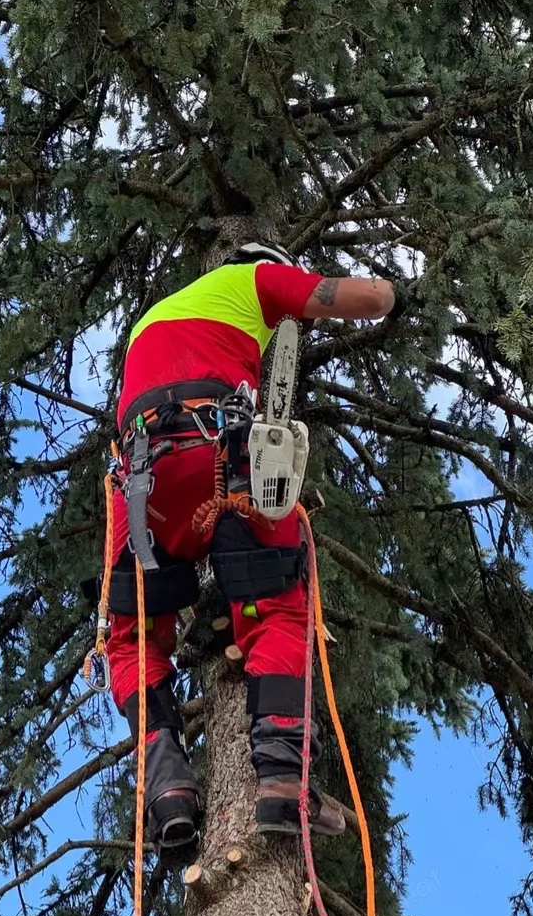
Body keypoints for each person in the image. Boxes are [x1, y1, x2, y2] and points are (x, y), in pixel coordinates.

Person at [100, 242, 395, 851]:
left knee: (131, 640)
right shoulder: (254, 280)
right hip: (219, 456)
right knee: (278, 604)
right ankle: (283, 782)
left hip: (140, 485)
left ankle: (167, 788)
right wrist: (397, 290)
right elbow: (365, 300)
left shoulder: (151, 320)